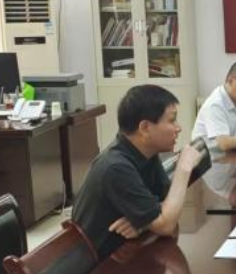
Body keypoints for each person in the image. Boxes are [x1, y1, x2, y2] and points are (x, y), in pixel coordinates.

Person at [72, 85, 202, 257]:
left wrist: (144, 223)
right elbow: (166, 225)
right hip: (102, 265)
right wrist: (183, 168)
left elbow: (167, 203)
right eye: (172, 121)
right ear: (145, 128)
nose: (178, 128)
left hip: (127, 251)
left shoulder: (146, 153)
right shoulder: (116, 167)